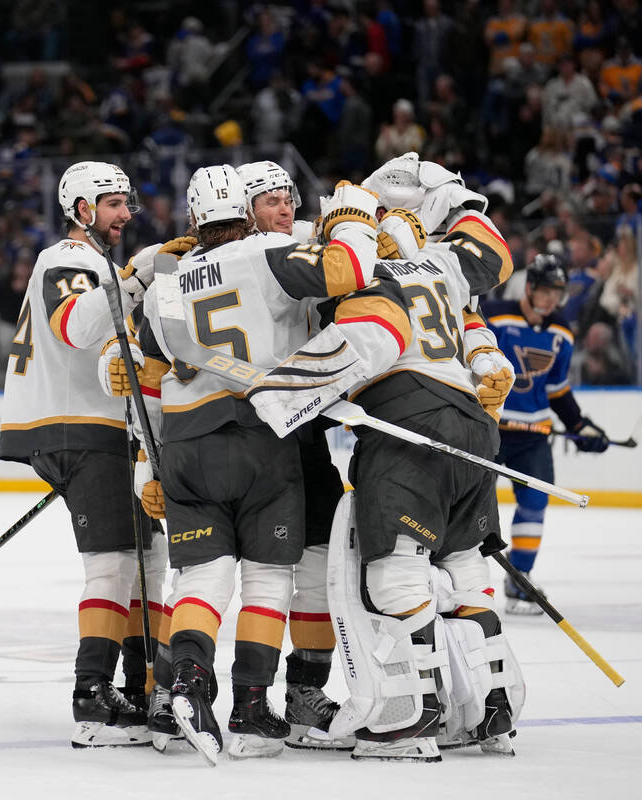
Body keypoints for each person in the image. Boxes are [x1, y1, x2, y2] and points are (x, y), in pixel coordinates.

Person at [246, 163, 524, 761]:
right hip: (472, 423)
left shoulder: (356, 272)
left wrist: (274, 396)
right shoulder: (441, 262)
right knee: (466, 566)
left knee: (393, 574)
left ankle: (410, 719)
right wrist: (450, 193)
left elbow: (366, 340)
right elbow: (493, 260)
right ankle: (489, 710)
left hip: (408, 420)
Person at [129, 165, 391, 763]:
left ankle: (185, 686)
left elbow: (144, 385)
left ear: (194, 221)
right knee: (269, 580)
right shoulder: (270, 251)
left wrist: (149, 466)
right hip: (263, 438)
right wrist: (352, 217)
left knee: (199, 580)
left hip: (186, 446)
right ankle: (250, 709)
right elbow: (349, 270)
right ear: (246, 215)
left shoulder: (166, 286)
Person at [0, 161, 173, 749]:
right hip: (77, 426)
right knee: (115, 563)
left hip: (89, 426)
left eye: (128, 204)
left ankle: (142, 684)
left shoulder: (96, 264)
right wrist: (138, 279)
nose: (126, 215)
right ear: (80, 209)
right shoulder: (71, 260)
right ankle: (91, 692)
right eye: (113, 204)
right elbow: (74, 326)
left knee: (141, 563)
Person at [236, 160, 350, 751]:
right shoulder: (248, 258)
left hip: (302, 435)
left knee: (318, 567)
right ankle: (237, 695)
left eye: (289, 198)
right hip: (244, 435)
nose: (285, 208)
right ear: (242, 210)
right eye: (271, 200)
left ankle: (304, 693)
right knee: (256, 575)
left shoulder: (299, 246)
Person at [483, 255, 611, 614]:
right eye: (544, 291)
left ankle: (520, 578)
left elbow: (557, 389)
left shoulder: (562, 332)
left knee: (535, 504)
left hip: (533, 436)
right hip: (489, 428)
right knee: (471, 505)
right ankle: (459, 578)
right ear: (529, 287)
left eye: (557, 293)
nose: (550, 300)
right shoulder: (494, 315)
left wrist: (579, 426)